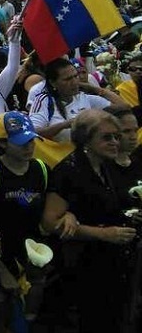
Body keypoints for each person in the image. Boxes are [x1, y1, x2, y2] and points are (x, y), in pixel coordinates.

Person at [41, 109, 139, 333]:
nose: (116, 142)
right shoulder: (69, 171)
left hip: (116, 264)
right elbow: (50, 222)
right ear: (86, 140)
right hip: (84, 268)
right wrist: (101, 233)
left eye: (116, 136)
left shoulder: (106, 164)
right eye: (107, 137)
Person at [0, 112, 50, 328]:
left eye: (31, 140)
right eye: (21, 142)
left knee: (30, 313)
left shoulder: (41, 169)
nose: (29, 147)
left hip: (33, 257)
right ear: (3, 143)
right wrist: (2, 270)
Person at [29, 57, 127, 142]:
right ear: (53, 83)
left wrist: (94, 88)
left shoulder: (84, 98)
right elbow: (33, 132)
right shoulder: (44, 100)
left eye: (75, 76)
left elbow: (124, 107)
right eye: (67, 79)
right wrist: (65, 125)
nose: (74, 82)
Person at [116, 50, 142, 124]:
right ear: (128, 70)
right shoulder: (122, 89)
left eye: (141, 69)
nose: (137, 72)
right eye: (133, 69)